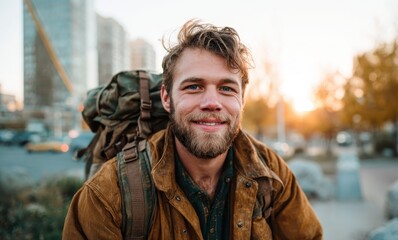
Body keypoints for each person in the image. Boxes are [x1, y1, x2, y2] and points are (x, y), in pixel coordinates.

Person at [63, 19, 323, 239]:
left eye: (226, 88)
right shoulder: (108, 194)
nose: (212, 103)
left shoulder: (272, 174)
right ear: (167, 97)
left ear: (241, 100)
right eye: (194, 86)